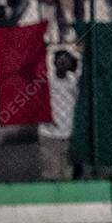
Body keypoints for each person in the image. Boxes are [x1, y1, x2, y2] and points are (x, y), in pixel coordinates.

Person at [38, 49, 80, 181]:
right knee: (52, 172)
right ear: (54, 62)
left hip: (69, 131)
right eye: (60, 60)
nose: (63, 63)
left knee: (67, 172)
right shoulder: (46, 80)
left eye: (66, 60)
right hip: (49, 133)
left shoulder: (73, 81)